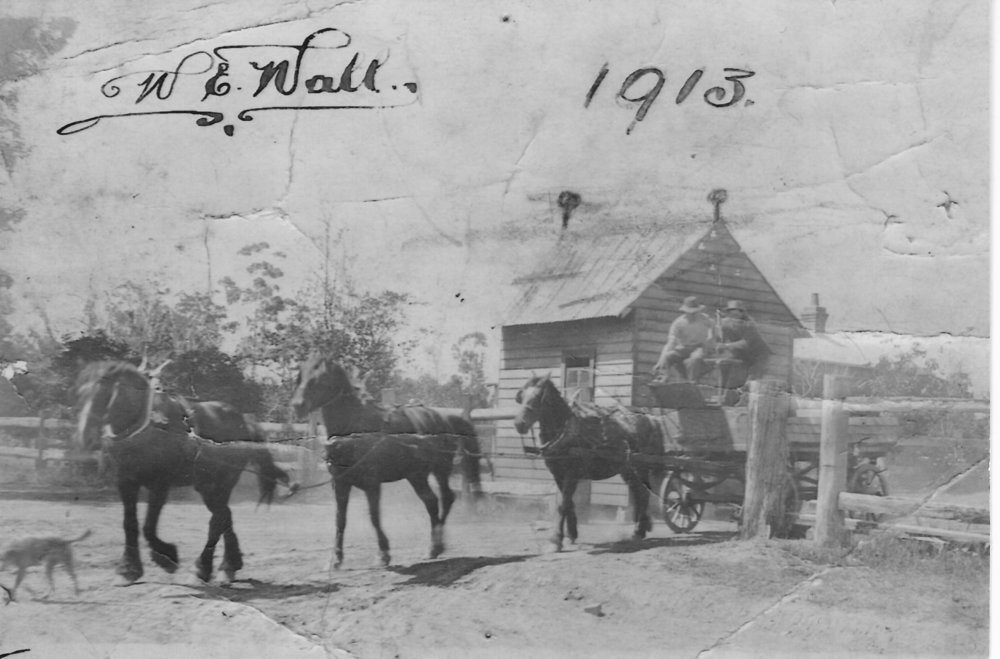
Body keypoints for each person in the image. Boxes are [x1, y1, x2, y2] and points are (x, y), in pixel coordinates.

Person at [715, 300, 771, 404]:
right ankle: (725, 397)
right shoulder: (725, 324)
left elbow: (745, 343)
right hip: (743, 356)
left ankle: (743, 403)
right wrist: (718, 340)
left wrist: (726, 346)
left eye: (737, 313)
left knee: (751, 382)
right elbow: (720, 338)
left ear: (742, 313)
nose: (734, 316)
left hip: (759, 356)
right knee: (725, 366)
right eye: (731, 313)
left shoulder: (749, 324)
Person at [652, 296, 715, 382]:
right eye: (690, 313)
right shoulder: (678, 323)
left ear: (698, 311)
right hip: (683, 348)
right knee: (667, 357)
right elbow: (671, 342)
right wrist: (660, 361)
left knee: (694, 360)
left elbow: (714, 330)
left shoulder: (705, 319)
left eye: (694, 313)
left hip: (698, 347)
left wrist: (710, 341)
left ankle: (692, 382)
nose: (692, 315)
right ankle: (662, 378)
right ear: (685, 311)